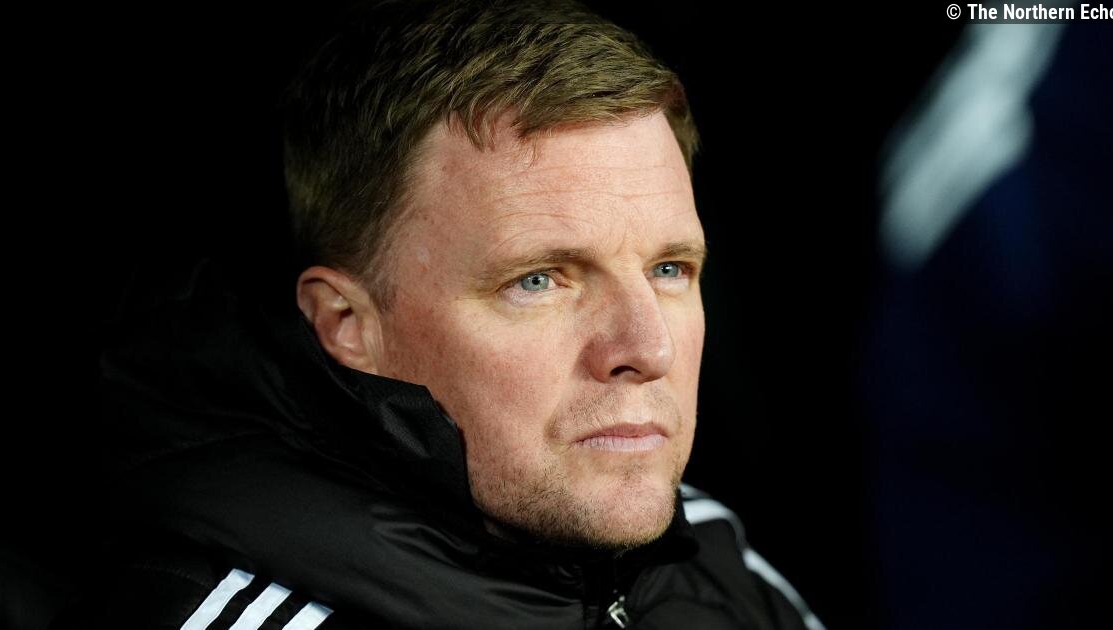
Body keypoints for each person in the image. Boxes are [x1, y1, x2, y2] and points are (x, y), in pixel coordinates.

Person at [53, 1, 824, 628]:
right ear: (347, 324)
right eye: (538, 281)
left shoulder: (714, 553)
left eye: (669, 270)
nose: (648, 348)